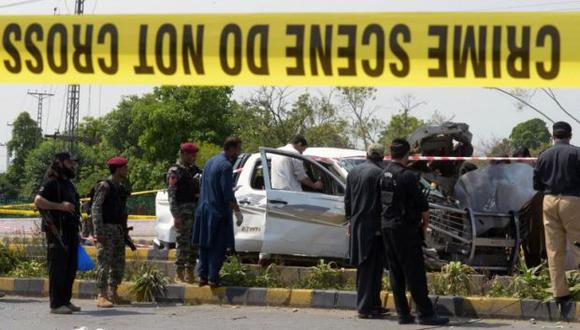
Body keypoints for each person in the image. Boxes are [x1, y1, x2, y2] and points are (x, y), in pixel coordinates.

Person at [380, 139, 449, 326]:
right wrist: (424, 226)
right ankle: (426, 314)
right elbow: (423, 206)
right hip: (404, 229)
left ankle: (403, 313)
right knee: (414, 272)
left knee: (396, 272)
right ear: (407, 155)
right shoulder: (407, 176)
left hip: (387, 226)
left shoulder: (384, 173)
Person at [533, 121, 580, 321]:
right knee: (578, 244)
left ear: (553, 136)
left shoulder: (543, 155)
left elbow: (536, 183)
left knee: (554, 250)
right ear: (570, 135)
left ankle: (560, 293)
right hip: (572, 200)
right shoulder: (577, 153)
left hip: (549, 200)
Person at [34, 152, 81, 315]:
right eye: (69, 162)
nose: (72, 165)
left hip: (70, 230)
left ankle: (65, 301)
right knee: (58, 268)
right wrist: (61, 206)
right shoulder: (51, 182)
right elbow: (38, 201)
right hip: (57, 231)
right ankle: (56, 304)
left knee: (70, 267)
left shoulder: (67, 183)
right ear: (59, 163)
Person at [193, 137, 244, 287]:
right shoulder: (226, 166)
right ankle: (213, 278)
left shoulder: (210, 162)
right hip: (218, 212)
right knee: (218, 246)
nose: (239, 153)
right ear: (232, 149)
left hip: (203, 210)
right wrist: (237, 211)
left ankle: (202, 276)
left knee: (205, 245)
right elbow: (227, 192)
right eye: (239, 149)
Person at [345, 143, 388, 319]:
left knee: (370, 267)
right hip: (373, 227)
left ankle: (374, 304)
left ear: (367, 155)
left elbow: (347, 200)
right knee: (370, 267)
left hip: (357, 225)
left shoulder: (354, 172)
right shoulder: (380, 174)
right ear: (382, 157)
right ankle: (365, 308)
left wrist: (349, 220)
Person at [92, 157, 130, 308]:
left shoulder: (119, 187)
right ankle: (101, 295)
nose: (126, 170)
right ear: (118, 169)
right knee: (104, 262)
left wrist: (124, 231)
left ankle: (112, 292)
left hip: (118, 229)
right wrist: (98, 232)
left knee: (118, 263)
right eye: (124, 167)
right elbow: (96, 208)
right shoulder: (104, 186)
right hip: (106, 229)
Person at [167, 143, 202, 283]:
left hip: (195, 211)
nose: (194, 157)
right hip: (183, 212)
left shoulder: (195, 170)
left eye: (195, 154)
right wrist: (176, 216)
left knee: (194, 243)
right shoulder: (175, 171)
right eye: (191, 154)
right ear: (183, 154)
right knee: (182, 243)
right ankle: (179, 272)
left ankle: (189, 271)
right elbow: (172, 195)